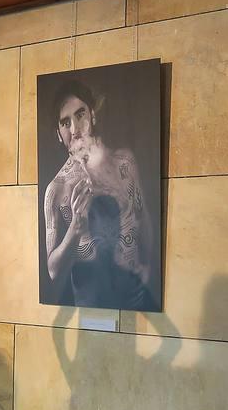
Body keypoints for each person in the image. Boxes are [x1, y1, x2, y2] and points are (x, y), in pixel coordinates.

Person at [41, 79, 152, 307]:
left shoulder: (125, 163)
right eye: (65, 122)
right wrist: (75, 229)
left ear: (92, 115)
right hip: (92, 310)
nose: (74, 129)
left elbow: (143, 218)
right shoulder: (57, 189)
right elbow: (52, 270)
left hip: (138, 301)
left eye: (80, 115)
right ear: (57, 133)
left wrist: (148, 267)